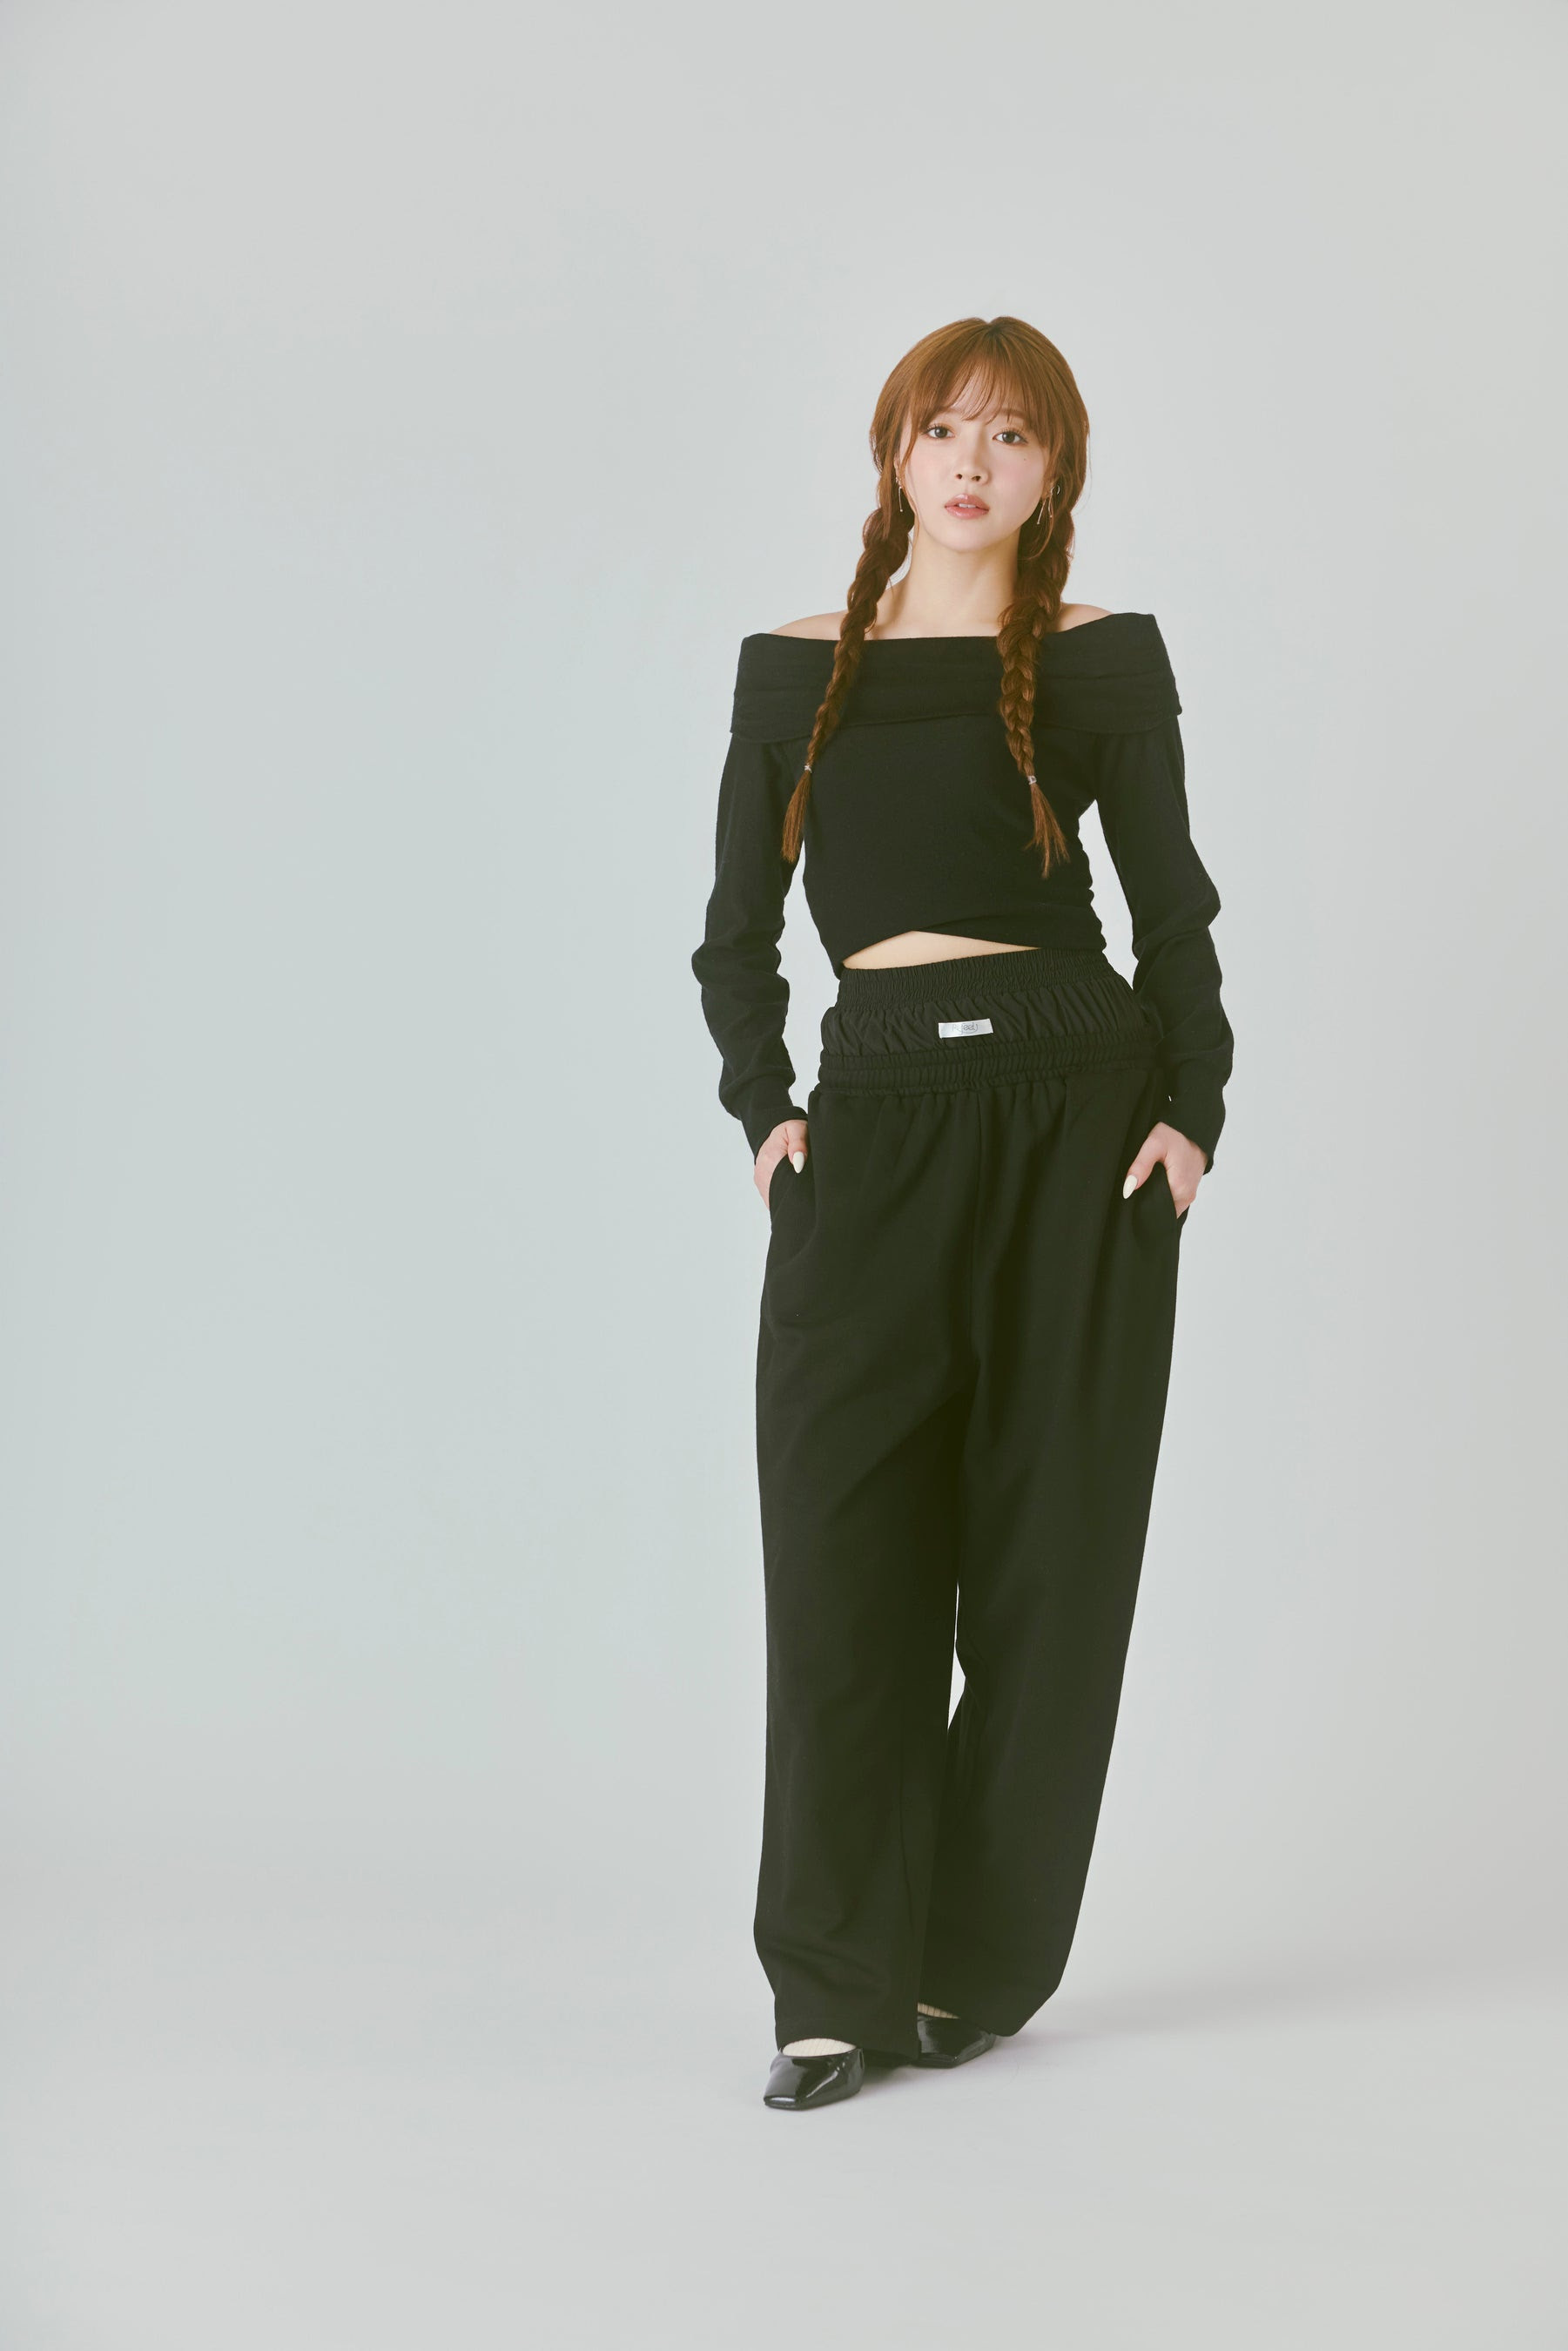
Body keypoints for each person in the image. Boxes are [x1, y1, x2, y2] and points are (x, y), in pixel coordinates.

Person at [690, 315, 1234, 2112]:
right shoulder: (792, 670)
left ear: (1053, 467)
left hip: (1079, 1122)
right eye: (944, 429)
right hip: (873, 1128)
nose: (974, 463)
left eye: (1012, 434)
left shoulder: (1100, 657)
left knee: (1045, 1567)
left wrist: (1190, 1115)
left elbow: (1171, 908)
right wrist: (769, 1113)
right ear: (895, 452)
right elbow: (732, 933)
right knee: (839, 1560)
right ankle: (828, 1989)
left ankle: (972, 1969)